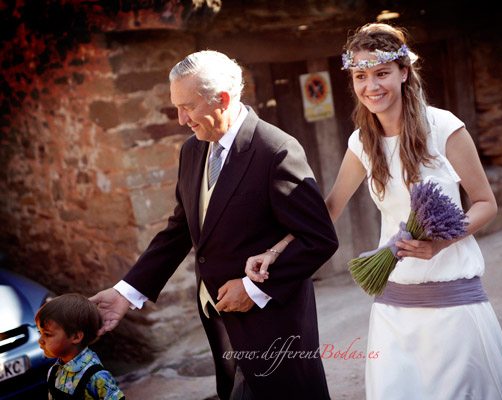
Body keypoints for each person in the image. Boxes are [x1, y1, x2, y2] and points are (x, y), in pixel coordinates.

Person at [246, 23, 502, 399]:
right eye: (361, 76)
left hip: (452, 303)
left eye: (381, 73)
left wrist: (440, 243)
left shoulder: (444, 127)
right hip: (394, 305)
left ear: (404, 73)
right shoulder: (362, 142)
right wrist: (275, 251)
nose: (371, 86)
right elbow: (327, 209)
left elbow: (485, 204)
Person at [90, 50, 338, 400]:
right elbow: (180, 231)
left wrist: (253, 289)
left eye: (187, 107)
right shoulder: (192, 151)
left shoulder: (276, 150)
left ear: (221, 99)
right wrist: (125, 293)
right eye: (177, 107)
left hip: (274, 328)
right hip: (219, 323)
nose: (180, 119)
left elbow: (320, 238)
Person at [35, 293, 125, 400]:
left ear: (76, 337)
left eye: (47, 334)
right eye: (40, 333)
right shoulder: (54, 371)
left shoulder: (96, 376)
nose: (40, 341)